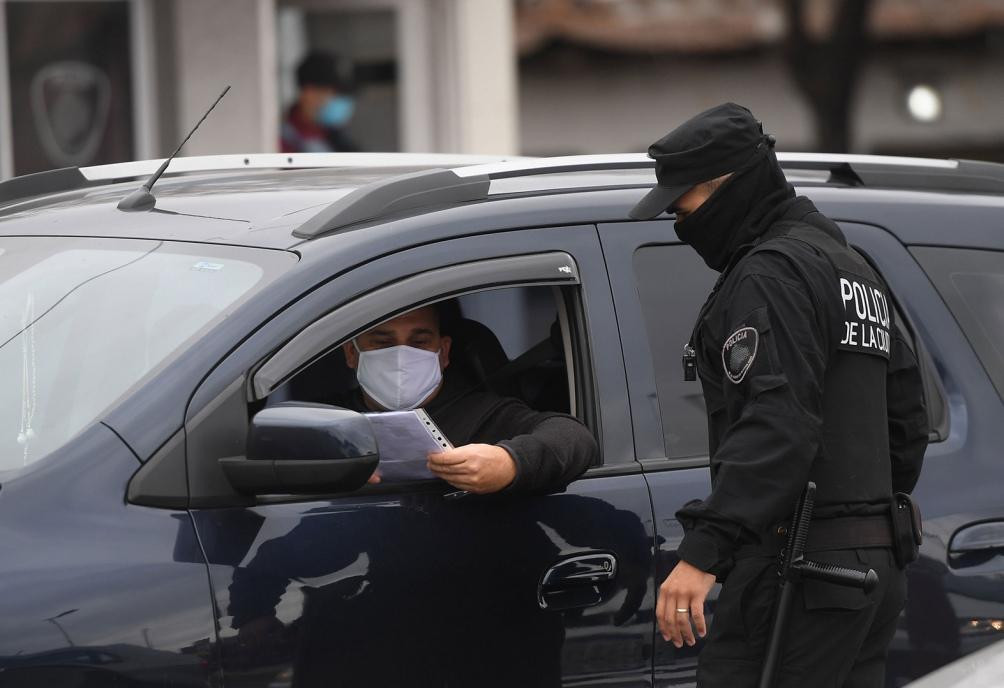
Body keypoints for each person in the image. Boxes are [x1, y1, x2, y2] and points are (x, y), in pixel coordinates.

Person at [629, 103, 929, 687]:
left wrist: (703, 552)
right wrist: (863, 521)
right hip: (871, 571)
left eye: (682, 204)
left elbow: (777, 424)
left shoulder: (769, 274)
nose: (678, 221)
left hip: (802, 570)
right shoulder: (853, 268)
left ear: (725, 189)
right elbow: (907, 422)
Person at [338, 303, 597, 494]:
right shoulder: (328, 420)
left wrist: (510, 463)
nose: (401, 356)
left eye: (419, 343)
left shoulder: (485, 415)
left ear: (444, 352)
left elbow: (574, 437)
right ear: (351, 352)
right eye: (383, 343)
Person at [280, 51, 360, 153]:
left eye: (345, 95)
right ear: (309, 92)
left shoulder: (340, 142)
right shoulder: (279, 139)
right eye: (336, 94)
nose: (341, 101)